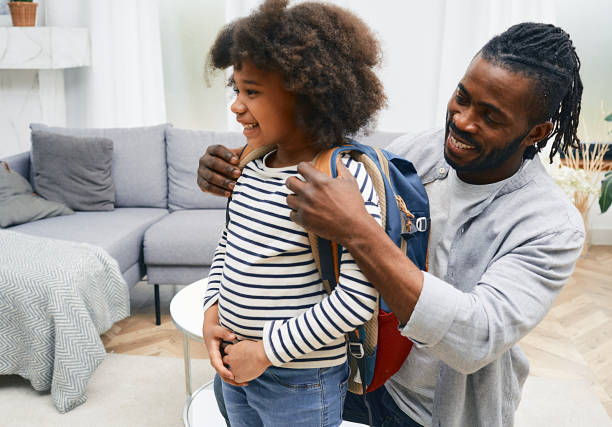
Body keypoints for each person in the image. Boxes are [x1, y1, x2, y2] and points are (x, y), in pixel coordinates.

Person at [198, 20, 586, 427]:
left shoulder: (551, 226)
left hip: (430, 409)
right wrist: (238, 162)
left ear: (537, 132)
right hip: (362, 378)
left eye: (490, 116)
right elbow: (320, 158)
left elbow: (475, 337)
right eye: (462, 97)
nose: (463, 121)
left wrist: (358, 230)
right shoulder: (414, 153)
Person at [201, 1, 388, 426]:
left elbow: (358, 301)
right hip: (235, 367)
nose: (236, 106)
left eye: (252, 92)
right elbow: (230, 246)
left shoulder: (343, 180)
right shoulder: (250, 166)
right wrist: (213, 313)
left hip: (302, 380)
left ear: (306, 95)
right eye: (236, 90)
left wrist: (265, 351)